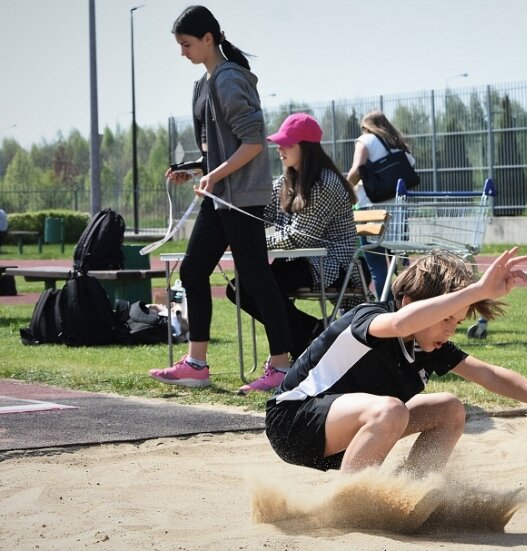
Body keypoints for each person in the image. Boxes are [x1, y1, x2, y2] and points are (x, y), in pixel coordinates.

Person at [264, 248, 527, 474]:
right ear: (408, 302)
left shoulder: (430, 346)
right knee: (390, 408)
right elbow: (402, 323)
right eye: (445, 318)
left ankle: (412, 492)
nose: (450, 330)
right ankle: (354, 505)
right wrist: (476, 290)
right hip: (293, 423)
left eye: (457, 322)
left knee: (449, 408)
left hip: (344, 439)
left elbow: (490, 375)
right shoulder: (372, 318)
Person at [148, 5, 294, 391]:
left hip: (241, 197)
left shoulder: (229, 80)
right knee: (193, 272)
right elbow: (218, 147)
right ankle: (197, 364)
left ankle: (281, 368)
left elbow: (252, 143)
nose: (183, 52)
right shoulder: (203, 83)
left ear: (208, 38)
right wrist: (196, 167)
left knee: (256, 279)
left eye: (187, 44)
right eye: (180, 45)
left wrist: (213, 174)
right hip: (221, 194)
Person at [226, 113, 361, 393]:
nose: (280, 149)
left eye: (287, 143)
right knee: (237, 288)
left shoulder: (325, 183)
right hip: (301, 259)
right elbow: (264, 221)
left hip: (330, 265)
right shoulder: (284, 182)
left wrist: (253, 244)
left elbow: (301, 236)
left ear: (306, 147)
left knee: (253, 287)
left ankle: (306, 341)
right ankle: (313, 333)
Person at [346, 110, 416, 298]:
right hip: (398, 210)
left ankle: (385, 307)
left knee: (377, 265)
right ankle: (412, 304)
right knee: (401, 263)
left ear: (366, 127)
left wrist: (345, 188)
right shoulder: (400, 145)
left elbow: (356, 170)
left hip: (370, 209)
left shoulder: (365, 140)